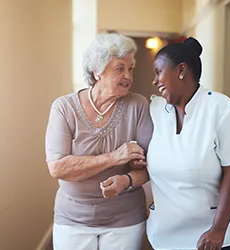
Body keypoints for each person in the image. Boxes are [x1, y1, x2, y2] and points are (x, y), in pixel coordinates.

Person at [45, 33, 153, 250]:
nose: (128, 76)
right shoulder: (64, 108)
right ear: (97, 72)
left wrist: (126, 180)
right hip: (72, 219)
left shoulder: (138, 106)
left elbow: (149, 167)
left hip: (125, 219)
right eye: (119, 68)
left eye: (130, 68)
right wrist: (115, 158)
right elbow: (57, 168)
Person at [146, 37, 230, 250]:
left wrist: (218, 230)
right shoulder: (155, 110)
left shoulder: (222, 110)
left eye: (159, 72)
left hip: (216, 238)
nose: (155, 80)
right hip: (166, 238)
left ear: (181, 70)